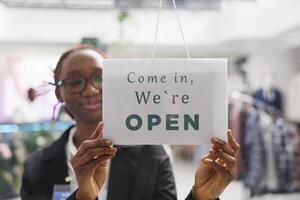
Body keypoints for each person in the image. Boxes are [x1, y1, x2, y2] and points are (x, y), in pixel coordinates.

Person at [20, 45, 239, 200]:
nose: (90, 90)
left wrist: (200, 197)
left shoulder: (152, 155)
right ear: (59, 93)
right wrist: (83, 198)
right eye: (75, 81)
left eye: (99, 78)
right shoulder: (36, 167)